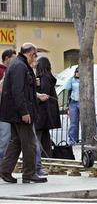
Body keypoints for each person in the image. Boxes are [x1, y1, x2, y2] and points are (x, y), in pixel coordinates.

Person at [0, 43, 48, 183]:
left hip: (15, 112)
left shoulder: (20, 65)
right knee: (29, 143)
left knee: (16, 142)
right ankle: (29, 173)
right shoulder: (20, 67)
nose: (36, 58)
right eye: (35, 55)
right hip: (20, 113)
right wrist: (24, 112)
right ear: (30, 53)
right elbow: (17, 91)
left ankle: (5, 170)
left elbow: (24, 90)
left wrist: (37, 96)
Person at [35, 57, 61, 158]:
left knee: (37, 137)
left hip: (42, 112)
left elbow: (43, 95)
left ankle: (39, 159)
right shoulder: (49, 77)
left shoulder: (43, 78)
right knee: (45, 137)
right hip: (47, 112)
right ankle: (47, 157)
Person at [0, 49, 16, 164]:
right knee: (4, 139)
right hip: (2, 111)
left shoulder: (14, 70)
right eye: (13, 58)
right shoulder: (2, 71)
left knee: (7, 139)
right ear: (7, 58)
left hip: (8, 111)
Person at [64, 67, 80, 145]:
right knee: (73, 122)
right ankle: (73, 140)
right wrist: (71, 77)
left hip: (82, 102)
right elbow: (66, 87)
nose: (78, 73)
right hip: (73, 102)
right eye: (76, 71)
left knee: (84, 122)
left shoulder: (84, 80)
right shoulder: (73, 80)